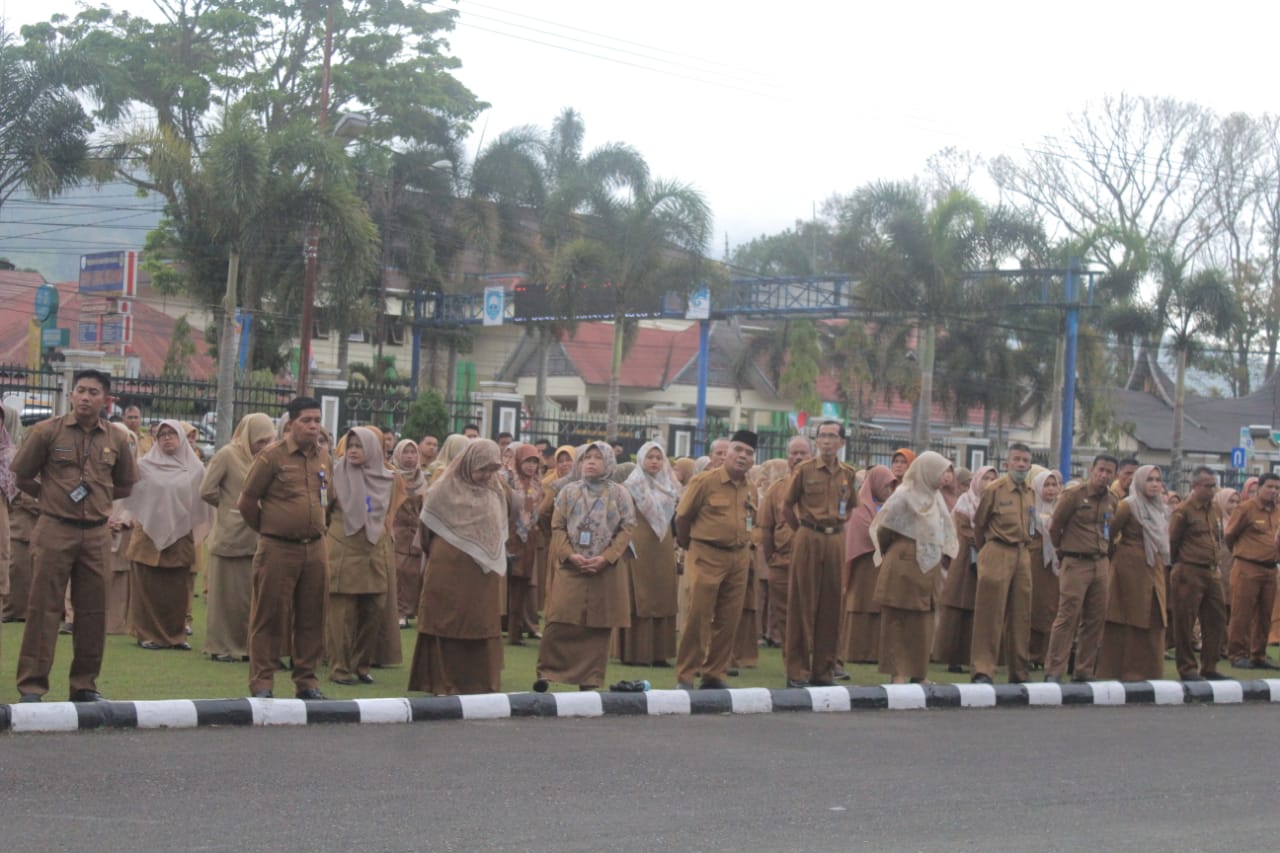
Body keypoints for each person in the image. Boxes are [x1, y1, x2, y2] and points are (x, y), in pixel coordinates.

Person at [11, 369, 138, 702]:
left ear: (105, 400)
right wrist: (49, 497)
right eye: (80, 390)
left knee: (93, 612)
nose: (85, 397)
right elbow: (22, 476)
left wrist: (96, 503)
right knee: (43, 609)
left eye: (93, 392)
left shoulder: (117, 439)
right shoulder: (45, 432)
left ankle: (84, 686)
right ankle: (32, 686)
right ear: (70, 395)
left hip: (95, 533)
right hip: (54, 528)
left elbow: (125, 483)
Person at [237, 396, 332, 701]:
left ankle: (307, 681)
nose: (313, 426)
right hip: (278, 548)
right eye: (307, 420)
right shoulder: (272, 457)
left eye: (317, 420)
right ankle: (262, 683)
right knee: (269, 617)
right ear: (291, 424)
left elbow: (327, 500)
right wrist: (270, 530)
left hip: (315, 548)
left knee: (312, 616)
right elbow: (247, 502)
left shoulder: (324, 457)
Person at [534, 442, 635, 691]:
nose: (590, 462)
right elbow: (557, 526)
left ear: (609, 463)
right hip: (571, 566)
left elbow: (627, 528)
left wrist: (606, 558)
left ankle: (590, 678)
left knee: (597, 625)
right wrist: (569, 555)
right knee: (559, 618)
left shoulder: (620, 494)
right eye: (586, 457)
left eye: (597, 458)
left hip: (605, 569)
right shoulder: (568, 491)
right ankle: (547, 672)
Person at [410, 439, 508, 695]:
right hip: (447, 567)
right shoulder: (443, 489)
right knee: (444, 620)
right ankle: (442, 682)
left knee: (479, 621)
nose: (487, 476)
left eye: (492, 470)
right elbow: (427, 529)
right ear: (468, 464)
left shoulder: (496, 492)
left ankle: (479, 682)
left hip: (481, 573)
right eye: (482, 469)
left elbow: (499, 532)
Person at [120, 419, 212, 651]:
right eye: (163, 435)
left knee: (176, 588)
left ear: (181, 438)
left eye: (172, 434)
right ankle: (147, 634)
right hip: (148, 535)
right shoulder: (144, 466)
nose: (167, 438)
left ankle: (175, 635)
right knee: (147, 586)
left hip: (180, 535)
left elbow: (202, 504)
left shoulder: (195, 469)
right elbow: (132, 498)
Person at [674, 431, 756, 690]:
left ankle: (714, 673)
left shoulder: (749, 487)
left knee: (729, 619)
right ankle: (686, 675)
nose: (743, 456)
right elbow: (682, 518)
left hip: (738, 557)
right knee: (697, 616)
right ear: (727, 452)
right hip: (705, 553)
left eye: (749, 453)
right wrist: (690, 546)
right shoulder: (704, 482)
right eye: (738, 450)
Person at [871, 452, 958, 684]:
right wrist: (900, 551)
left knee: (923, 623)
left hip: (928, 568)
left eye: (948, 471)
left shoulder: (935, 498)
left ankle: (919, 674)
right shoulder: (904, 496)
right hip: (903, 564)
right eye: (942, 471)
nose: (946, 477)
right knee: (898, 621)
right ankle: (897, 674)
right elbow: (884, 530)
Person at [783, 421, 858, 687]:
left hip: (835, 538)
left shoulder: (848, 474)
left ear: (842, 443)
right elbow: (787, 506)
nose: (826, 441)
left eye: (832, 436)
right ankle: (797, 671)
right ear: (816, 441)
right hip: (809, 534)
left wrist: (837, 522)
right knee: (802, 602)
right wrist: (804, 531)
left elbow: (850, 507)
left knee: (831, 605)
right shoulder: (804, 471)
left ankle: (824, 670)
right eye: (822, 436)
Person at [325, 427, 400, 685]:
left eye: (360, 446)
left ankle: (361, 665)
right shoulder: (335, 475)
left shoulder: (388, 479)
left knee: (374, 609)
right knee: (341, 614)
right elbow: (324, 511)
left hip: (374, 550)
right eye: (351, 445)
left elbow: (389, 514)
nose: (354, 450)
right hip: (343, 548)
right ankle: (339, 668)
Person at [200, 413, 274, 662]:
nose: (263, 446)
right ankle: (221, 646)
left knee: (248, 598)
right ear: (247, 435)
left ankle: (246, 646)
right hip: (231, 535)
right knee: (225, 597)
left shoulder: (267, 459)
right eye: (259, 441)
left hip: (258, 535)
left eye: (268, 441)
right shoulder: (227, 455)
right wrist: (231, 507)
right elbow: (207, 490)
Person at [1043, 454, 1118, 684]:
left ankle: (1084, 670)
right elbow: (1055, 527)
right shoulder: (1074, 496)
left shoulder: (1112, 500)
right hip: (1075, 562)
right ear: (1092, 470)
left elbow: (1111, 531)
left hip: (1100, 562)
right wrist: (1062, 551)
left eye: (1109, 472)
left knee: (1095, 618)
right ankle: (1054, 670)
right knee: (1067, 616)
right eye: (1101, 470)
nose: (1104, 475)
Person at [969, 445, 1035, 685]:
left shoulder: (1030, 492)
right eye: (1016, 459)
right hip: (998, 548)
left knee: (1021, 615)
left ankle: (1019, 672)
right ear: (1007, 464)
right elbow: (979, 525)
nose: (1021, 464)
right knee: (990, 613)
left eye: (1025, 460)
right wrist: (985, 550)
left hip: (1022, 553)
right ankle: (983, 670)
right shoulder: (994, 490)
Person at [1098, 464, 1170, 681]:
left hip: (1153, 567)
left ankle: (1149, 673)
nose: (1155, 484)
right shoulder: (1128, 506)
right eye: (1150, 480)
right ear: (1139, 482)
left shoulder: (1161, 508)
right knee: (1126, 618)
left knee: (1154, 617)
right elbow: (1108, 535)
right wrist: (1122, 559)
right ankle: (1121, 672)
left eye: (1158, 479)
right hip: (1128, 572)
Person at [616, 441, 681, 666]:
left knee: (662, 595)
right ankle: (637, 653)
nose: (654, 461)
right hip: (638, 546)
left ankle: (660, 654)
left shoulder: (669, 487)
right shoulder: (629, 486)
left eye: (658, 457)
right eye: (650, 457)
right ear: (641, 459)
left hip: (662, 546)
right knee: (640, 596)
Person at [1168, 468, 1229, 681]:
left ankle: (1210, 666)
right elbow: (1173, 541)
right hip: (1189, 569)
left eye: (1214, 485)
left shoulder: (1214, 509)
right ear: (1195, 486)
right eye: (1207, 486)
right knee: (1185, 620)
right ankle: (1187, 668)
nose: (1212, 490)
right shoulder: (1183, 511)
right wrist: (1181, 565)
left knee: (1216, 619)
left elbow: (1218, 536)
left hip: (1211, 571)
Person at [934, 465, 996, 672]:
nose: (988, 483)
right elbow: (964, 530)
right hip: (965, 561)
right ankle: (953, 657)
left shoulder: (995, 503)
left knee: (981, 609)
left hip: (988, 560)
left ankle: (978, 657)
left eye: (992, 479)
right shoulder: (964, 502)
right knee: (959, 606)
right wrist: (987, 540)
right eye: (985, 478)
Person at [1224, 472, 1280, 670]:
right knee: (1242, 613)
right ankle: (1237, 654)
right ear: (1260, 487)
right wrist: (1242, 554)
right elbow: (1230, 535)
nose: (1273, 491)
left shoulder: (1277, 512)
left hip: (1270, 569)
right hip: (1247, 566)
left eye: (1277, 488)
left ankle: (1259, 654)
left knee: (1265, 614)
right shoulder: (1246, 509)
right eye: (1270, 487)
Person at [840, 465, 894, 664]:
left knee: (878, 607)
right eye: (886, 485)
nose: (889, 490)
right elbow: (866, 533)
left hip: (884, 565)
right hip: (865, 564)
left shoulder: (890, 505)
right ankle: (856, 651)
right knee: (861, 604)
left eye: (892, 486)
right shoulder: (862, 506)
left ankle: (875, 652)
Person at [760, 440, 810, 648]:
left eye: (803, 453)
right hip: (783, 562)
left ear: (811, 456)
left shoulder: (821, 488)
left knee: (812, 613)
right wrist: (772, 558)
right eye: (793, 453)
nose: (798, 457)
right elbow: (766, 528)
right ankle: (794, 664)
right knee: (786, 615)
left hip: (812, 562)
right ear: (787, 456)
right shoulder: (776, 490)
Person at [504, 443, 545, 645]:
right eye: (527, 461)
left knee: (521, 585)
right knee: (504, 586)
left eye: (534, 462)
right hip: (509, 538)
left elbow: (535, 512)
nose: (531, 466)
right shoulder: (509, 481)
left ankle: (515, 632)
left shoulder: (537, 485)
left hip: (527, 540)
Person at [391, 439, 428, 629]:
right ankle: (398, 611)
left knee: (413, 574)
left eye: (413, 453)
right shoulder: (392, 476)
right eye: (405, 452)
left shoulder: (422, 479)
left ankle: (408, 611)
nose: (410, 457)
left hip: (416, 532)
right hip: (397, 531)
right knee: (398, 572)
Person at [1028, 469, 1063, 667]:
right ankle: (1031, 655)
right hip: (1036, 561)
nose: (1051, 489)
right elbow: (1030, 533)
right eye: (1046, 485)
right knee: (1035, 606)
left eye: (1054, 485)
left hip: (1056, 565)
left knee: (1053, 608)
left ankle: (1047, 656)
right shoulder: (1031, 509)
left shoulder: (1061, 509)